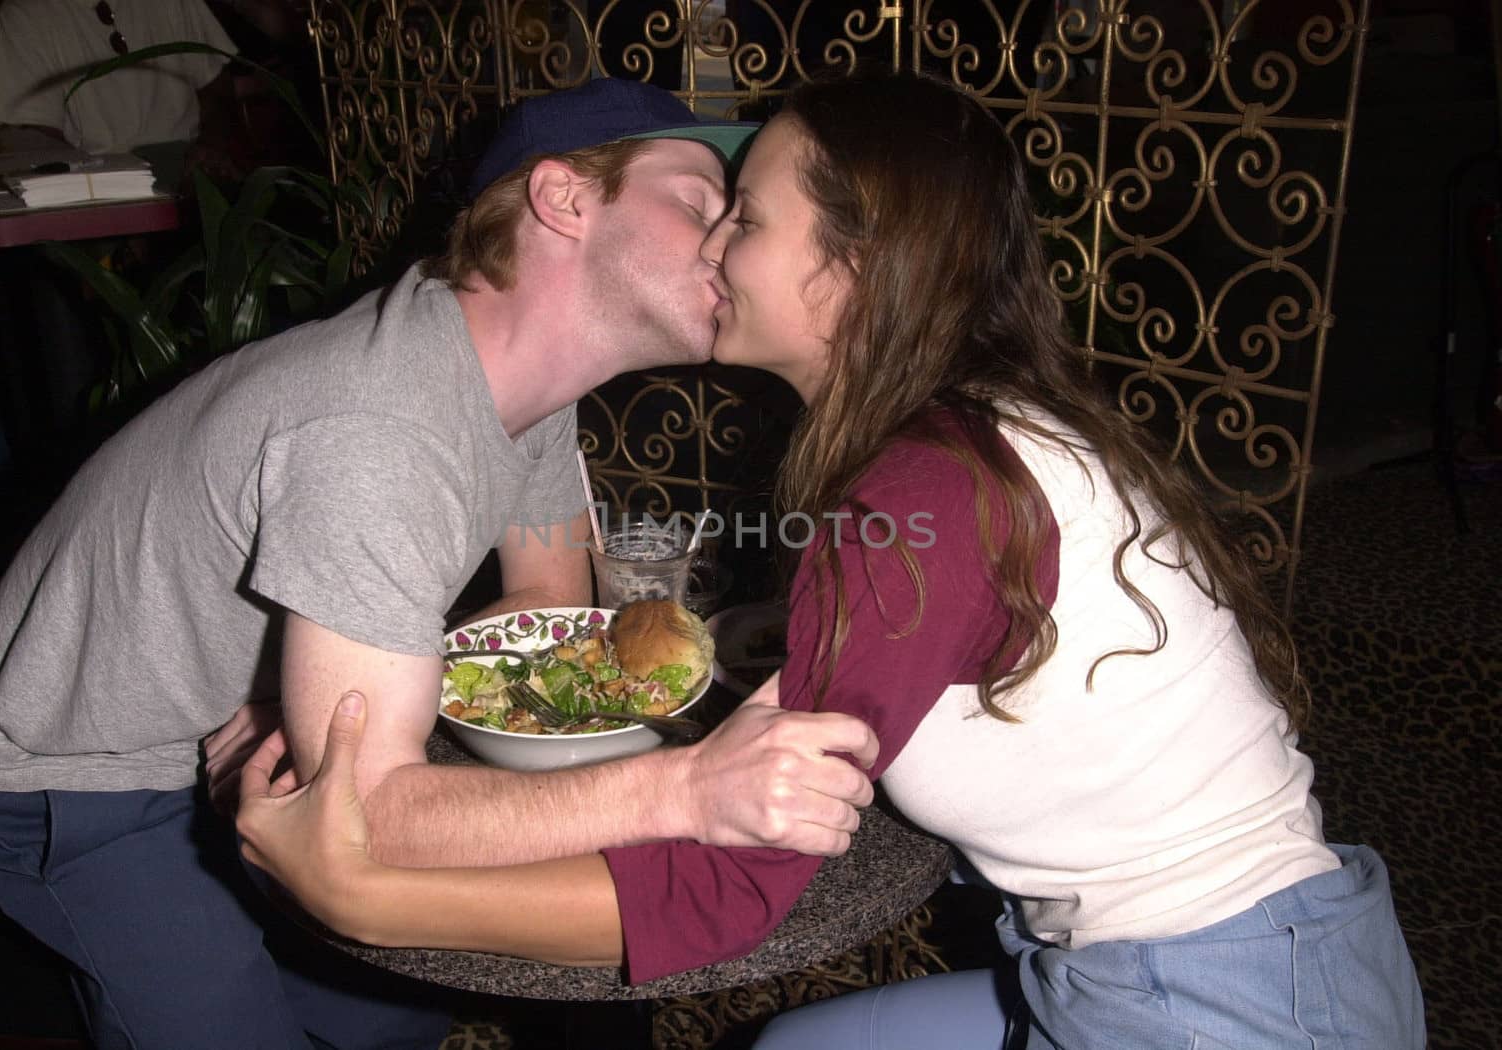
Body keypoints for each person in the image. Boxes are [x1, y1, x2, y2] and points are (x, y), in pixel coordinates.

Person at [237, 69, 1426, 1049]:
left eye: (743, 215)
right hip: (1214, 956)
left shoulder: (920, 489)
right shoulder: (982, 425)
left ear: (855, 264)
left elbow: (728, 896)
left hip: (1224, 1005)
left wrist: (359, 891)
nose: (714, 244)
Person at [0, 77, 880, 1050]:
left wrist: (324, 688)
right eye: (696, 203)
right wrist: (685, 788)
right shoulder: (378, 421)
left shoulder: (520, 383)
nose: (728, 244)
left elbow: (543, 607)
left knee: (398, 1011)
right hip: (77, 780)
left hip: (227, 735)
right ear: (561, 199)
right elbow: (371, 810)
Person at [0, 0, 237, 169]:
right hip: (99, 182)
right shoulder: (25, 13)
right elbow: (35, 132)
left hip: (190, 167)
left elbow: (218, 88)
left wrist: (210, 147)